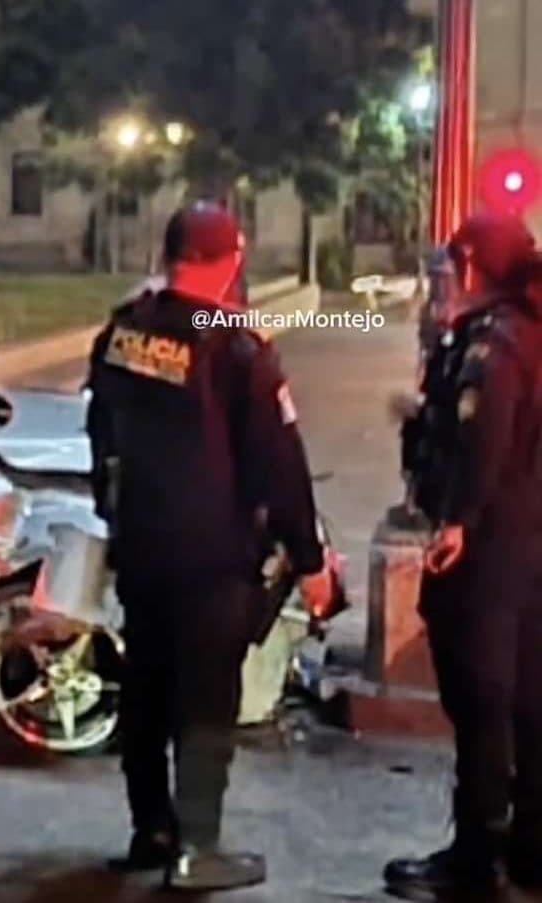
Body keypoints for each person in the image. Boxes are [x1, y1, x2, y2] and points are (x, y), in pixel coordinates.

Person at [86, 200, 333, 893]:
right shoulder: (236, 346)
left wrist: (116, 517)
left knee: (146, 689)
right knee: (204, 701)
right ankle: (198, 846)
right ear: (231, 261)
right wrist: (308, 561)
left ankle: (151, 830)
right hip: (212, 558)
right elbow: (278, 462)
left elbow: (99, 432)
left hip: (141, 547)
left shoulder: (122, 328)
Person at [386, 213, 542, 900]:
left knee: (480, 698)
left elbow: (486, 437)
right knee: (530, 700)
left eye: (451, 268)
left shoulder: (494, 344)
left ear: (474, 267)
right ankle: (530, 848)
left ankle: (477, 856)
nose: (443, 281)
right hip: (530, 542)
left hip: (491, 549)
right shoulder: (531, 330)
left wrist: (456, 521)